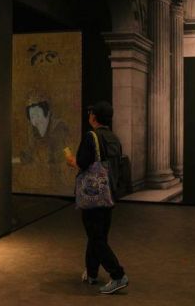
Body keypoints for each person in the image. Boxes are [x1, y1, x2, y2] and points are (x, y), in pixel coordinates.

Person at [66, 101, 128, 295]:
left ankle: (118, 275)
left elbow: (82, 163)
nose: (89, 115)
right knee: (98, 236)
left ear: (94, 117)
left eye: (90, 113)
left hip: (93, 196)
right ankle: (92, 273)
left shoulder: (91, 137)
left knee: (96, 238)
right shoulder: (114, 138)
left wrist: (72, 161)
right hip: (109, 194)